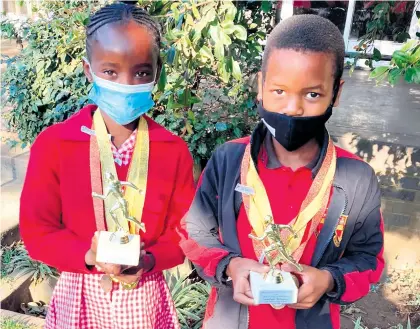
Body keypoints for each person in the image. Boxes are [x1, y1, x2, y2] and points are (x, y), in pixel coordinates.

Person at [180, 14, 384, 329]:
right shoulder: (228, 160)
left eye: (312, 94)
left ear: (336, 93)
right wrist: (230, 265)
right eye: (279, 91)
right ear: (261, 87)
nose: (292, 108)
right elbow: (194, 231)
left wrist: (329, 279)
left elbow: (369, 259)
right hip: (230, 320)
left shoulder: (356, 178)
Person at [19, 2, 195, 329]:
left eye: (141, 72)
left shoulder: (172, 150)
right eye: (110, 71)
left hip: (144, 295)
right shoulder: (56, 145)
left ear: (157, 72)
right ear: (89, 71)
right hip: (80, 293)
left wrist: (151, 259)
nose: (126, 83)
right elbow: (37, 230)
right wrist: (88, 255)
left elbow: (183, 233)